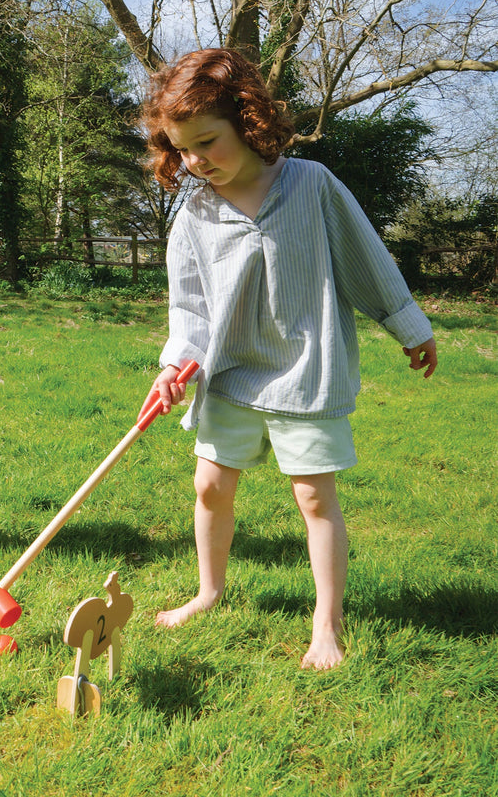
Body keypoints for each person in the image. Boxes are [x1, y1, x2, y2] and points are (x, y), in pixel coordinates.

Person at [139, 48, 437, 669]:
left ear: (246, 122)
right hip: (229, 372)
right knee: (211, 486)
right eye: (183, 149)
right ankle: (209, 591)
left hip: (305, 367)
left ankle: (326, 625)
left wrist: (407, 325)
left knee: (314, 498)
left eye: (208, 142)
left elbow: (365, 258)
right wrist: (174, 367)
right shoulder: (194, 212)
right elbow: (190, 308)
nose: (195, 161)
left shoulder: (311, 185)